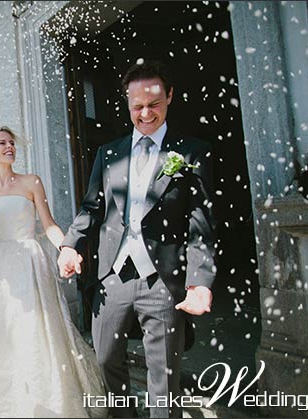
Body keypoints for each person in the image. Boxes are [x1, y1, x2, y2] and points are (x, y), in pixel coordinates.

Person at [58, 60, 217, 418]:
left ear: (170, 97)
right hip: (112, 277)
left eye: (154, 104)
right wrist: (70, 244)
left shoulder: (191, 151)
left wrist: (200, 281)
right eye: (137, 106)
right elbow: (91, 207)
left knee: (163, 380)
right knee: (106, 361)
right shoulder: (108, 152)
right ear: (127, 104)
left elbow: (201, 223)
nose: (146, 113)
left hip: (162, 280)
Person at [0, 125, 106, 418]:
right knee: (5, 331)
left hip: (28, 261)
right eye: (2, 143)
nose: (9, 147)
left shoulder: (31, 181)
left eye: (11, 143)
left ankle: (52, 401)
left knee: (32, 329)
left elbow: (48, 224)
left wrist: (66, 248)